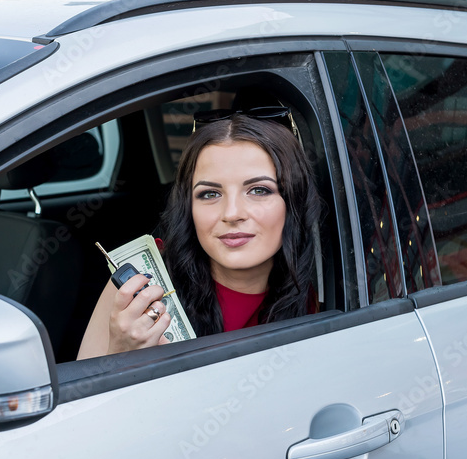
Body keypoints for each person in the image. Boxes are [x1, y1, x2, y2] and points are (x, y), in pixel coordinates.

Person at [76, 107, 323, 359]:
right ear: (188, 208)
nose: (232, 213)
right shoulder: (139, 285)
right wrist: (122, 353)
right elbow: (85, 396)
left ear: (293, 201)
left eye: (259, 190)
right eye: (210, 194)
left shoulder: (305, 294)